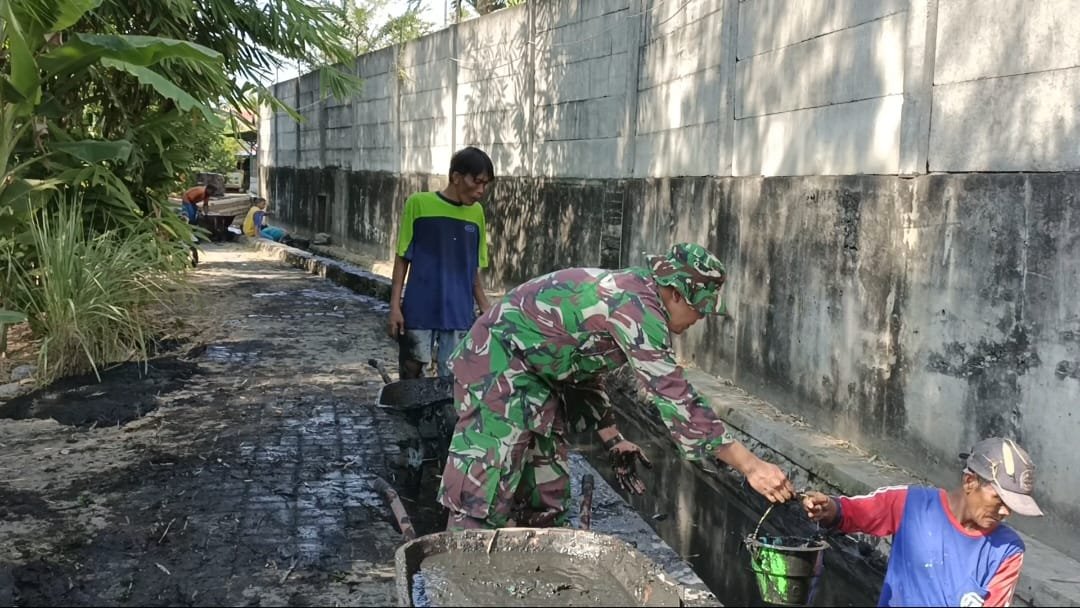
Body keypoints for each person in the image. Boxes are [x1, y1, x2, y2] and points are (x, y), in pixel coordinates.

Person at [437, 242, 796, 530]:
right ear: (675, 294)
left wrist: (612, 437)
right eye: (699, 309)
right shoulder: (634, 307)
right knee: (483, 490)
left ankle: (531, 575)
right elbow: (677, 399)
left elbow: (582, 367)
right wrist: (750, 465)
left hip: (539, 375)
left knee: (545, 488)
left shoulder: (639, 297)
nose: (700, 319)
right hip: (496, 363)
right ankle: (462, 574)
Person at [802, 437, 1041, 607]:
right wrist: (828, 509)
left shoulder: (1008, 551)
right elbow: (853, 511)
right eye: (999, 499)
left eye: (1012, 506)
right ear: (970, 482)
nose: (1005, 511)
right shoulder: (911, 504)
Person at [387, 146, 493, 380]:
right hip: (419, 309)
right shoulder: (418, 204)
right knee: (411, 372)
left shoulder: (476, 214)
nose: (481, 191)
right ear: (456, 177)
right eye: (477, 182)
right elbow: (402, 258)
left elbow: (472, 268)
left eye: (485, 185)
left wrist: (486, 306)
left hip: (458, 313)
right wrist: (394, 306)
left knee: (453, 380)